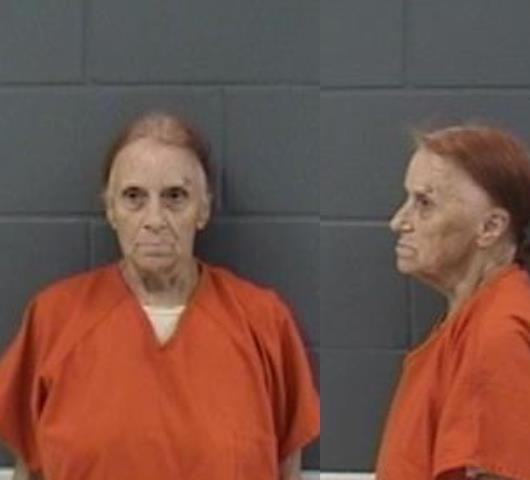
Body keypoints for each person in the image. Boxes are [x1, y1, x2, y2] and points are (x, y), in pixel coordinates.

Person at [0, 112, 319, 480]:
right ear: (110, 209)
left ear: (203, 209)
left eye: (175, 197)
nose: (154, 219)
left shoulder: (263, 322)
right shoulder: (54, 318)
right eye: (134, 197)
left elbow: (288, 471)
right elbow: (26, 472)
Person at [376, 125, 530, 479]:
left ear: (490, 228)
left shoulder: (498, 337)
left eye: (424, 203)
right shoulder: (478, 322)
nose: (398, 222)